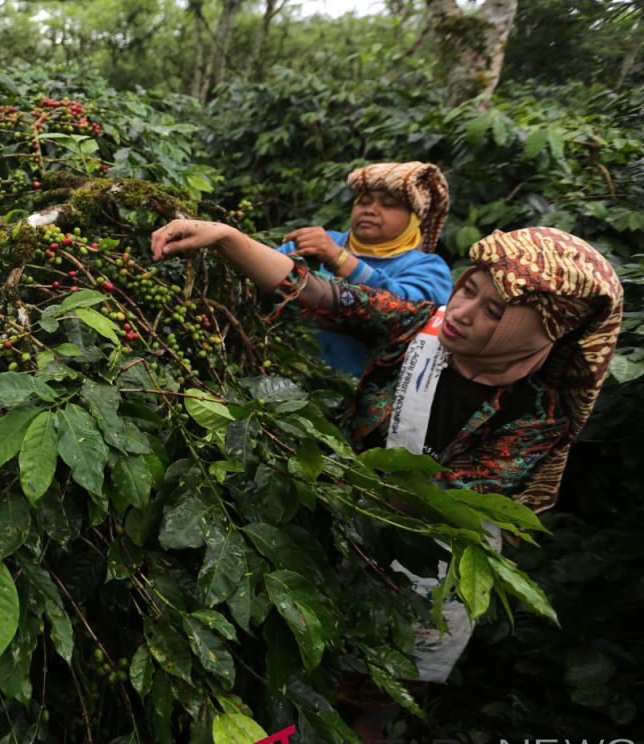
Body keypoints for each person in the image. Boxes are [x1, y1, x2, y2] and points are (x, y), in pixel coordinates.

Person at [151, 221, 622, 687]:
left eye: (495, 312)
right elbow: (320, 294)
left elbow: (445, 498)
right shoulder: (418, 325)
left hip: (429, 560)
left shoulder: (536, 417)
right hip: (344, 520)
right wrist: (227, 237)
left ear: (534, 332)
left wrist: (334, 479)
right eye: (468, 290)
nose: (461, 311)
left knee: (389, 670)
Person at [276, 161, 454, 376]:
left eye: (388, 205)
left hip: (359, 394)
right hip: (284, 377)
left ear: (415, 219)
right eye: (364, 202)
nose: (371, 210)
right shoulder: (313, 243)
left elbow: (408, 314)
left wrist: (339, 259)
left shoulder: (428, 268)